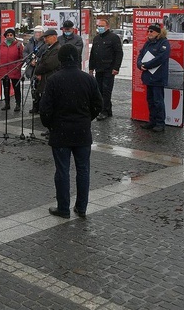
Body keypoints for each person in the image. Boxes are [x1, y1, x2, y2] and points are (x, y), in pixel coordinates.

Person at [40, 44, 103, 218]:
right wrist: (86, 118)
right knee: (83, 170)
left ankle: (63, 208)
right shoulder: (88, 79)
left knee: (62, 171)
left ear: (60, 59)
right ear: (76, 58)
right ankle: (81, 207)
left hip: (60, 131)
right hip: (82, 131)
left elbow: (45, 108)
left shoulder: (54, 79)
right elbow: (99, 104)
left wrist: (50, 125)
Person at [136, 23, 171, 132]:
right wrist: (139, 64)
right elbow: (140, 55)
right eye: (148, 31)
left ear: (158, 33)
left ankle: (160, 123)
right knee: (150, 100)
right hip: (148, 76)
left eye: (152, 31)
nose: (149, 33)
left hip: (158, 77)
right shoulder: (148, 43)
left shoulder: (164, 43)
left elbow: (161, 58)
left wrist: (146, 65)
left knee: (158, 101)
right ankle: (152, 121)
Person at [88, 18, 124, 120]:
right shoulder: (96, 38)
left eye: (102, 26)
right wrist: (91, 68)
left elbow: (119, 53)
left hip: (109, 68)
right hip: (99, 69)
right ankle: (108, 110)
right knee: (99, 90)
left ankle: (103, 111)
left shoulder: (114, 38)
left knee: (106, 90)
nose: (100, 28)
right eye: (98, 26)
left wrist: (116, 67)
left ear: (107, 26)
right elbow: (93, 54)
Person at [31, 28, 61, 114]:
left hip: (51, 77)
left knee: (51, 99)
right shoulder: (48, 48)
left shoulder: (57, 49)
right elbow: (42, 61)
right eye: (44, 37)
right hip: (46, 77)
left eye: (47, 37)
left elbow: (48, 64)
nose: (45, 39)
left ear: (54, 37)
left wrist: (37, 71)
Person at [0, 28, 24, 112]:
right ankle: (7, 104)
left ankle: (18, 104)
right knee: (6, 88)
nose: (9, 37)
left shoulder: (18, 45)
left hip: (14, 70)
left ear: (14, 36)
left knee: (16, 88)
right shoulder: (2, 45)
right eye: (7, 35)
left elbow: (22, 58)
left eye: (11, 35)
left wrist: (18, 66)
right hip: (4, 70)